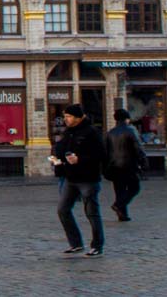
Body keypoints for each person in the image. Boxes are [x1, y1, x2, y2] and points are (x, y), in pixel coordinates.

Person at [50, 103, 108, 257]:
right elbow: (62, 149)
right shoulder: (69, 132)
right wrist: (57, 158)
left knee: (91, 212)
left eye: (68, 116)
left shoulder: (91, 132)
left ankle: (97, 245)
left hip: (88, 178)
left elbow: (101, 154)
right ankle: (75, 243)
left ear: (78, 117)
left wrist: (80, 159)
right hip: (70, 177)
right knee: (63, 209)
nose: (66, 119)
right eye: (65, 116)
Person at [104, 108, 146, 223]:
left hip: (114, 166)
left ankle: (122, 214)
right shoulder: (131, 130)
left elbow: (106, 151)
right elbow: (138, 147)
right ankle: (119, 205)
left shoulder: (110, 133)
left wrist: (105, 166)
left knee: (120, 190)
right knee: (134, 187)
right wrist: (143, 161)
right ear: (126, 119)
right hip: (129, 164)